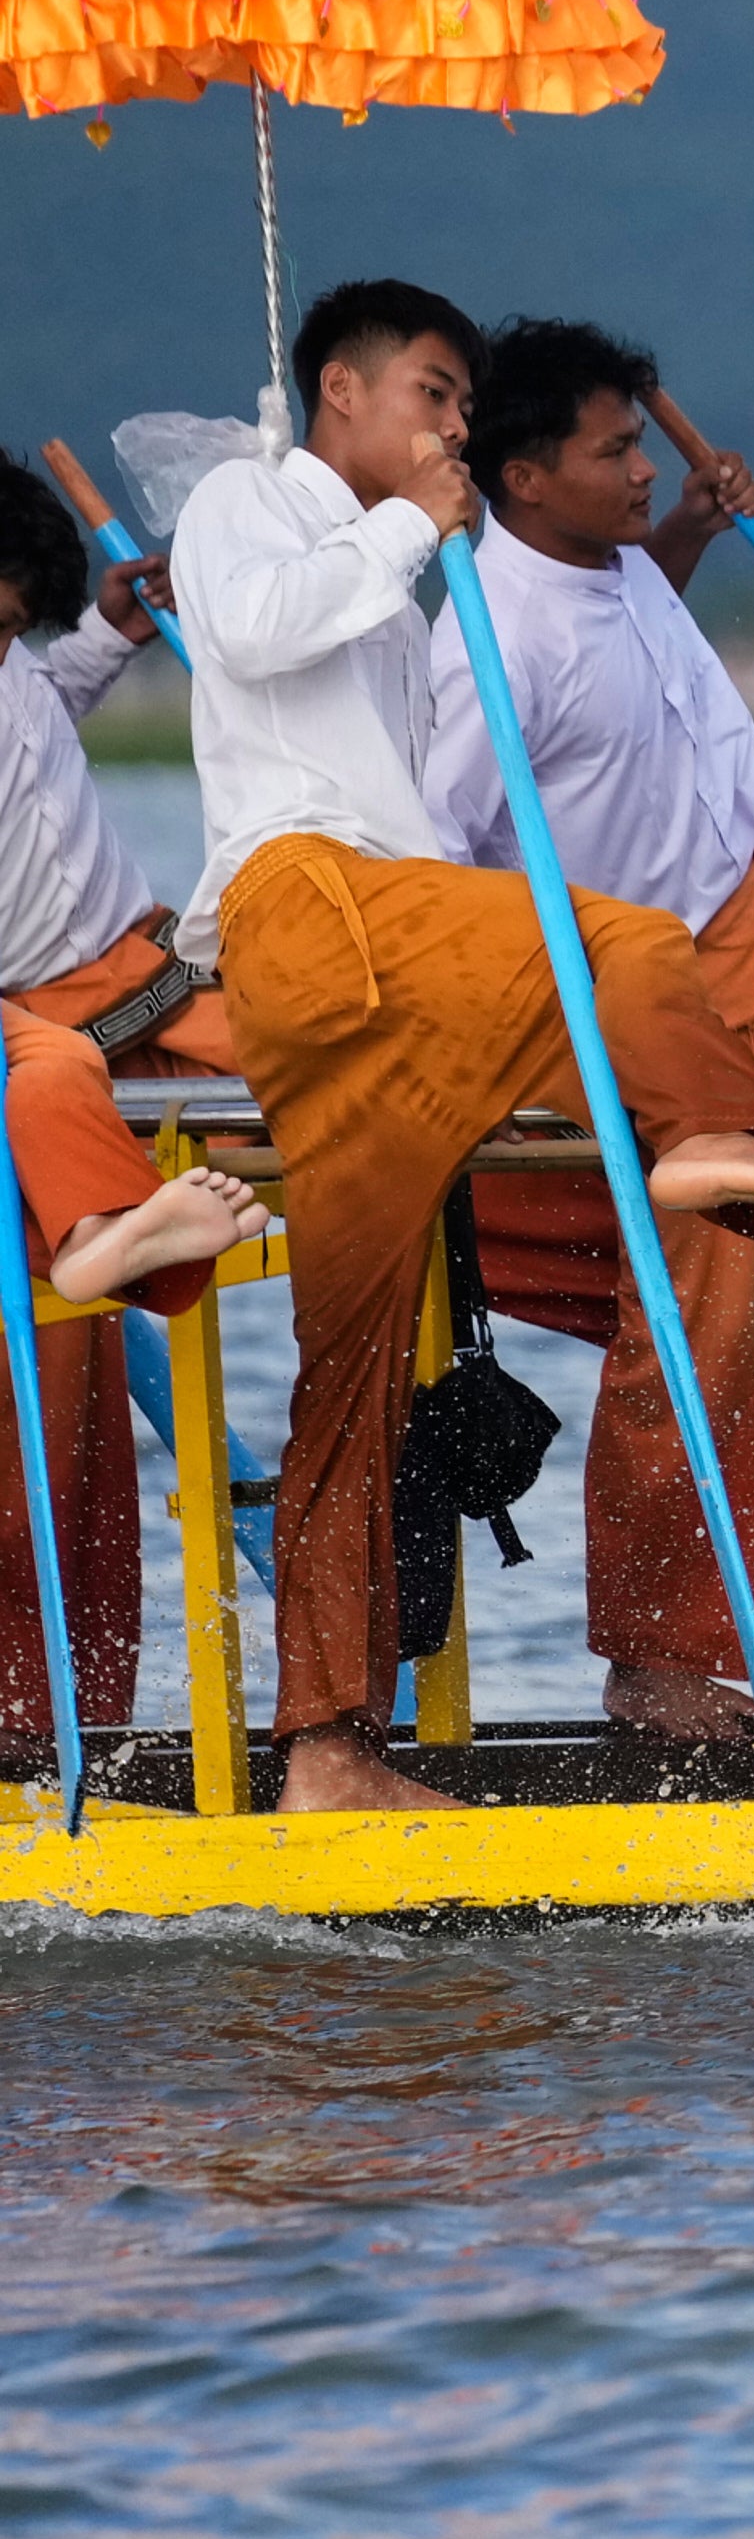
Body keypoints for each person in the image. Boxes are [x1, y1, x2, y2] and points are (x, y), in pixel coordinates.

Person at [184, 278, 754, 1813]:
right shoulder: (254, 500)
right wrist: (418, 524)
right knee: (617, 938)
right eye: (432, 393)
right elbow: (244, 623)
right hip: (310, 901)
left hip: (404, 947)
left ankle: (326, 1749)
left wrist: (469, 540)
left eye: (460, 404)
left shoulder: (420, 577)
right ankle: (722, 1149)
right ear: (342, 392)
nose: (449, 425)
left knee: (346, 1365)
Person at [414, 314, 754, 1742]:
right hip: (583, 1019)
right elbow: (433, 862)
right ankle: (659, 1655)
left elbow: (624, 648)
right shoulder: (485, 636)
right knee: (717, 1239)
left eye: (644, 441)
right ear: (521, 477)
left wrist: (685, 527)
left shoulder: (621, 563)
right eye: (616, 449)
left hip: (723, 962)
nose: (643, 466)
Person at [0, 461, 266, 1768]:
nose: (12, 638)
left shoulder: (19, 670)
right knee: (44, 1421)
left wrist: (107, 627)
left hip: (135, 977)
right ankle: (33, 1734)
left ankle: (86, 1724)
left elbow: (47, 692)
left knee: (317, 1046)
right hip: (40, 1022)